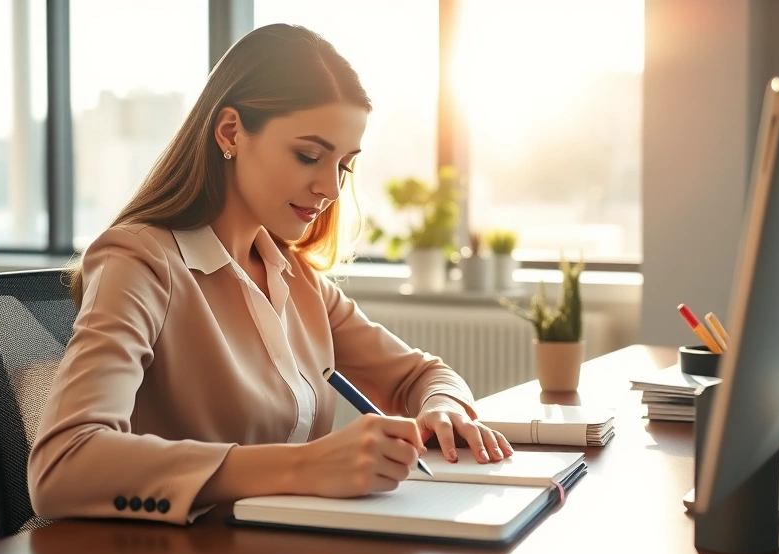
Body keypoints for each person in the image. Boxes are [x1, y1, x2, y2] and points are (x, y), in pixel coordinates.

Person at [27, 23, 513, 526]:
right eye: (309, 155)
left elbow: (422, 374)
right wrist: (307, 465)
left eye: (344, 165)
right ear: (231, 132)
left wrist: (444, 408)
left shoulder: (297, 280)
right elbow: (63, 465)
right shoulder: (139, 261)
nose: (329, 187)